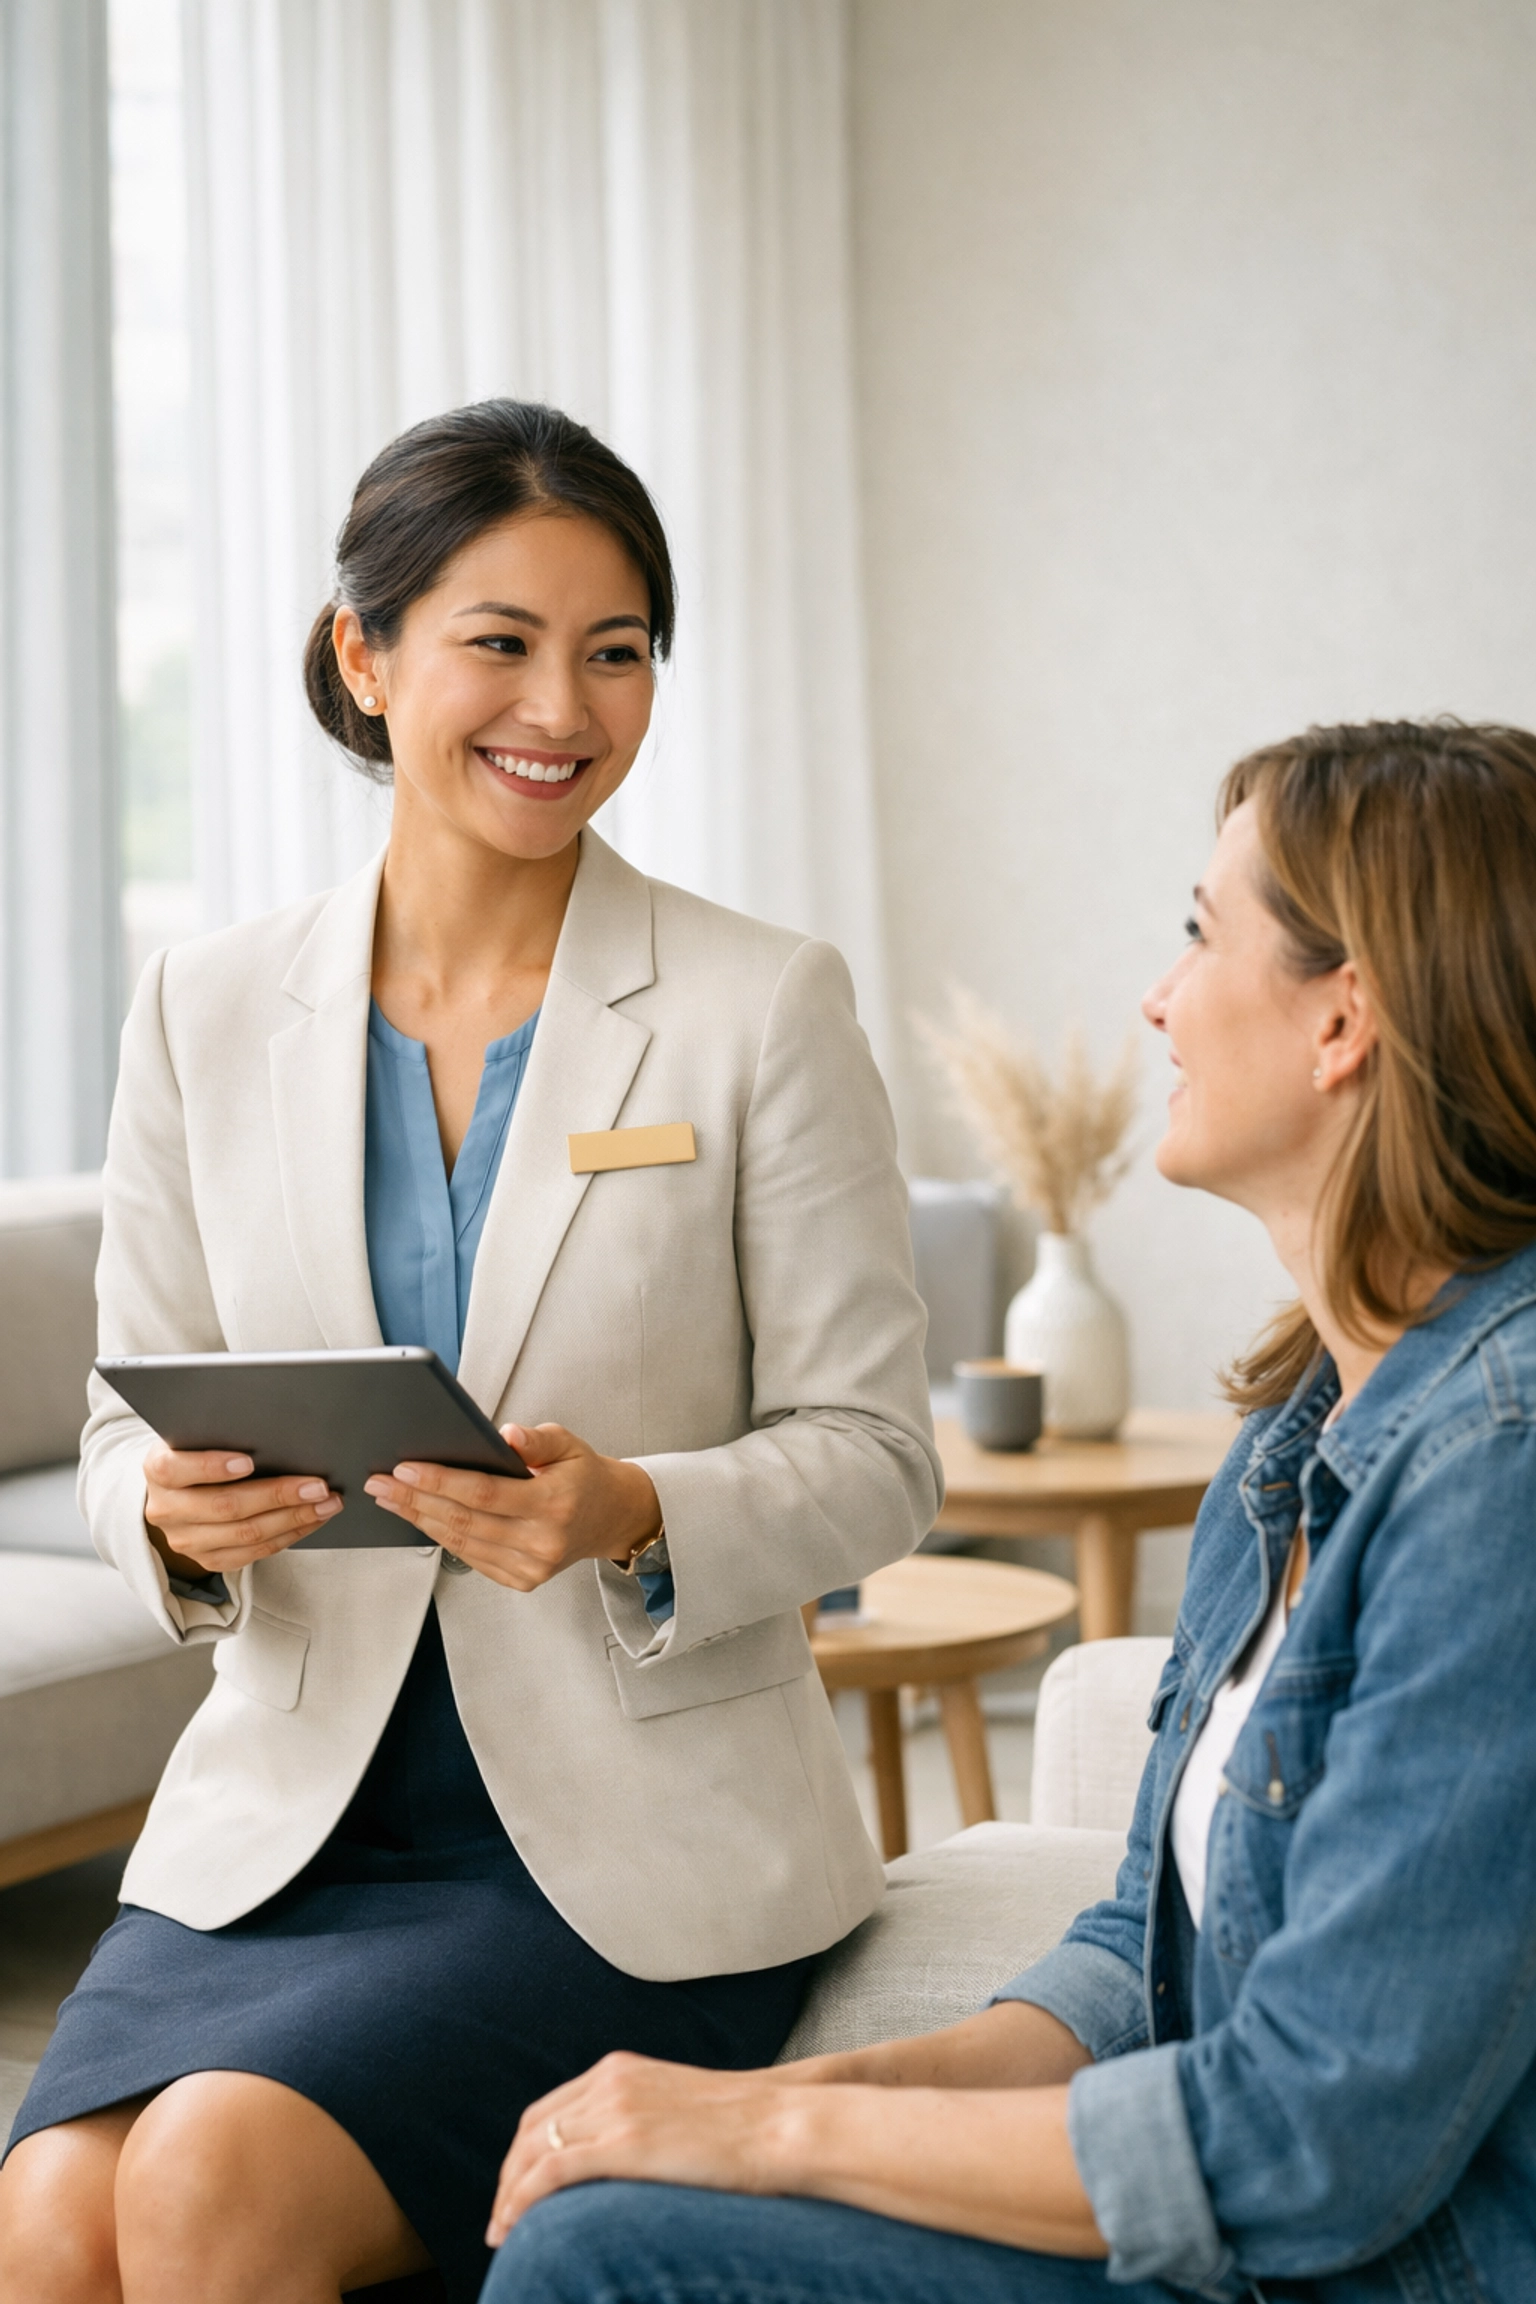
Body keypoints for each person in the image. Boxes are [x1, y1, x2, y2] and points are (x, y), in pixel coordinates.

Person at [0, 400, 939, 2304]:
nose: (562, 709)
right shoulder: (203, 1005)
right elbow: (124, 1416)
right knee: (46, 2218)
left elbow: (875, 1454)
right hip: (282, 1814)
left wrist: (633, 1508)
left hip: (632, 1843)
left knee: (208, 2186)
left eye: (616, 653)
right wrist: (173, 1520)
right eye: (499, 643)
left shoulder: (762, 1005)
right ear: (367, 656)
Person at [478, 717, 1536, 2304]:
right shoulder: (1297, 1430)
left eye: (1199, 934)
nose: (1158, 996)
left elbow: (1309, 2144)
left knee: (604, 2268)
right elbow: (1141, 1947)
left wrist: (768, 2143)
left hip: (1374, 2270)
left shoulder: (1497, 1470)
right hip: (1262, 2233)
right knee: (604, 2227)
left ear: (1345, 1022)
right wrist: (787, 2099)